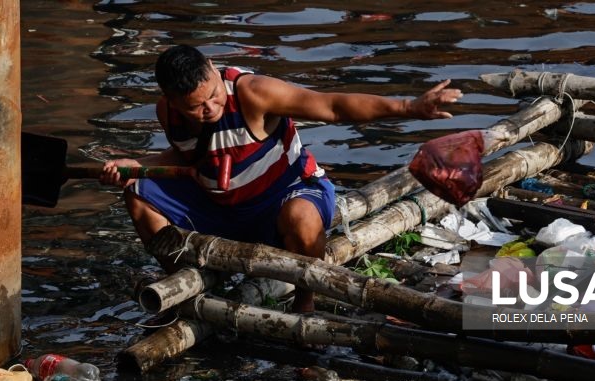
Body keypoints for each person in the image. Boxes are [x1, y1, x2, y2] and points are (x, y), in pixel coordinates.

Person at [101, 44, 462, 313]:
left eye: (212, 95)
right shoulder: (168, 112)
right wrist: (136, 164)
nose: (209, 108)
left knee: (300, 218)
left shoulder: (253, 93)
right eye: (195, 106)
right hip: (222, 206)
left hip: (284, 196)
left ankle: (305, 300)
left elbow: (332, 107)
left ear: (213, 68)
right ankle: (188, 288)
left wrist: (408, 108)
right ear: (171, 100)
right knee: (137, 193)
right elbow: (187, 158)